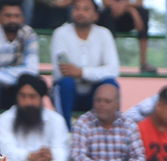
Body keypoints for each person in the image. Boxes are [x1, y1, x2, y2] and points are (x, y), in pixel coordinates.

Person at [51, 0, 120, 128]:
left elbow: (113, 70)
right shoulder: (60, 33)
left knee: (110, 84)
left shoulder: (104, 34)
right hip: (69, 93)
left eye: (86, 9)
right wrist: (93, 73)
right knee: (66, 83)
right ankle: (65, 132)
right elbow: (62, 71)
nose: (80, 12)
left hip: (94, 93)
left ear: (95, 15)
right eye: (77, 8)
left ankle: (111, 131)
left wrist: (81, 72)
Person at [0, 0, 38, 111]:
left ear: (23, 18)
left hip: (19, 84)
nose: (12, 20)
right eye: (8, 16)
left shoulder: (29, 34)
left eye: (16, 16)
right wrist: (12, 78)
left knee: (34, 83)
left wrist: (3, 72)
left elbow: (32, 70)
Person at [98, 0, 154, 74]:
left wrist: (126, 7)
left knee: (143, 12)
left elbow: (140, 3)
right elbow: (106, 2)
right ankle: (107, 62)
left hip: (128, 20)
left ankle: (143, 62)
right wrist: (130, 9)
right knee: (107, 13)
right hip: (111, 18)